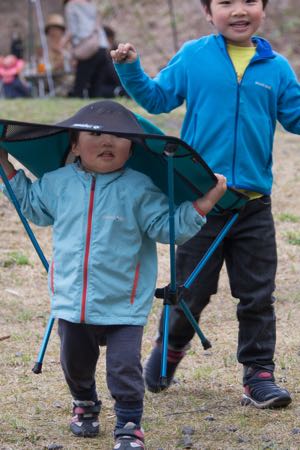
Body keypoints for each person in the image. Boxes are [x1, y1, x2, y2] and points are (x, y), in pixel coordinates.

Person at [0, 100, 226, 449]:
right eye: (95, 133)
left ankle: (129, 423)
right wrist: (7, 168)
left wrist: (205, 204)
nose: (108, 141)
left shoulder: (140, 188)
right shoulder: (57, 183)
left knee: (123, 368)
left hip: (124, 301)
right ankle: (85, 403)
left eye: (120, 136)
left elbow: (167, 228)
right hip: (72, 299)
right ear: (74, 144)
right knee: (74, 363)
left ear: (132, 148)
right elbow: (34, 207)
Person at [111, 0, 300, 409]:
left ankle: (259, 373)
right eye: (225, 2)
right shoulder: (194, 56)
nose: (238, 10)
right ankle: (170, 348)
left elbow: (296, 118)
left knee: (257, 294)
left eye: (249, 1)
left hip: (252, 205)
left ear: (263, 10)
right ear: (207, 11)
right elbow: (158, 99)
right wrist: (130, 69)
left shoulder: (278, 69)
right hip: (202, 201)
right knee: (189, 290)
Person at [63, 0, 125, 98]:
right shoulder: (91, 5)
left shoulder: (71, 5)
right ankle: (95, 109)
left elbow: (72, 30)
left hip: (88, 47)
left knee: (79, 85)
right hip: (102, 46)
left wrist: (63, 43)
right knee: (96, 88)